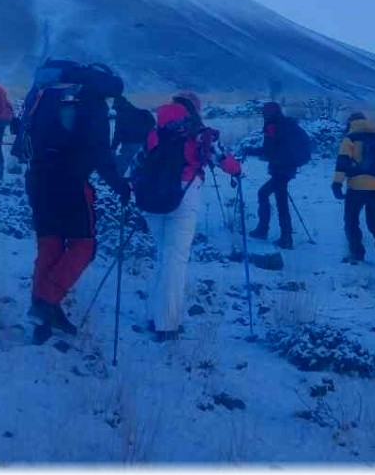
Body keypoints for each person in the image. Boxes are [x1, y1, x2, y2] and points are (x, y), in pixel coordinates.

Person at [16, 60, 131, 344]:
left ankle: (44, 315)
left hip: (37, 180)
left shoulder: (42, 93)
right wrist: (120, 185)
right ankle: (45, 302)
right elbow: (101, 152)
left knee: (50, 245)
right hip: (71, 183)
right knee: (84, 245)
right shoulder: (91, 100)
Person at [139, 92, 240, 341]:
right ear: (195, 109)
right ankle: (167, 325)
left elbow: (136, 165)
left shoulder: (155, 132)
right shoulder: (199, 132)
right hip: (184, 196)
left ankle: (154, 315)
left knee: (163, 255)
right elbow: (224, 160)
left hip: (151, 200)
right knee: (176, 259)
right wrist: (238, 170)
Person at [331, 112, 375, 264]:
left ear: (351, 123)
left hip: (356, 187)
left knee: (351, 220)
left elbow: (342, 163)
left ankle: (356, 253)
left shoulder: (350, 139)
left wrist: (337, 184)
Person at [243, 102, 299, 249]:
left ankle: (270, 232)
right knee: (278, 199)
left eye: (264, 112)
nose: (263, 115)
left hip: (280, 170)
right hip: (287, 169)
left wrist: (250, 150)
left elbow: (268, 151)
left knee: (266, 195)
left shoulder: (273, 127)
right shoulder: (285, 124)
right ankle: (283, 236)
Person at [111, 95, 155, 176]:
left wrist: (113, 147)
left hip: (129, 143)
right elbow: (152, 122)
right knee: (139, 162)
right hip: (143, 142)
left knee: (124, 162)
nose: (116, 110)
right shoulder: (139, 110)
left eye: (116, 108)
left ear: (118, 106)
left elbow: (118, 132)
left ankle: (117, 180)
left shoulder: (122, 114)